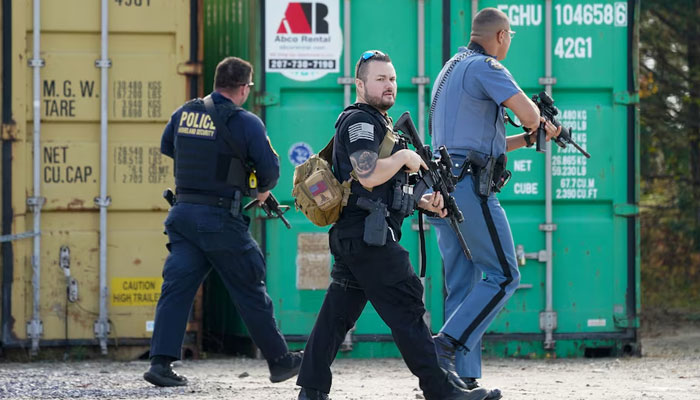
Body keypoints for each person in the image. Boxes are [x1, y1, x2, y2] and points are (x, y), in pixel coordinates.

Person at [295, 50, 488, 400]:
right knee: (408, 308)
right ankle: (440, 389)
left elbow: (387, 188)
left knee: (336, 316)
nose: (389, 85)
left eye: (393, 78)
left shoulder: (380, 124)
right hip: (369, 238)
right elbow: (367, 174)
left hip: (359, 235)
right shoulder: (360, 122)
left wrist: (424, 202)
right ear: (360, 84)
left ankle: (311, 389)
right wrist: (404, 157)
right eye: (380, 78)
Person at [144, 56, 302, 387]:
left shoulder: (184, 113)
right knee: (249, 284)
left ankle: (160, 364)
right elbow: (270, 174)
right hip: (218, 219)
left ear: (217, 83)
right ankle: (279, 361)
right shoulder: (247, 123)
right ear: (244, 88)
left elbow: (169, 147)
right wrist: (248, 183)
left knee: (176, 289)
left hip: (184, 216)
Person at [428, 8, 562, 400]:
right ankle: (445, 346)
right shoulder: (487, 66)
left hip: (443, 184)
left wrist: (529, 137)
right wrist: (541, 122)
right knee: (504, 274)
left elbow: (487, 140)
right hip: (469, 185)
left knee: (463, 280)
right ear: (501, 35)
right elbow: (529, 112)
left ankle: (460, 380)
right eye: (511, 36)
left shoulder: (450, 68)